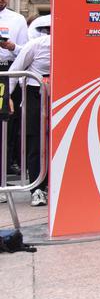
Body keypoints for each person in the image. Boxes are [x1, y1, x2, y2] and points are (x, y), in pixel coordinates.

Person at [10, 15, 50, 206]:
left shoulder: (72, 44)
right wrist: (7, 97)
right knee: (36, 141)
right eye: (46, 30)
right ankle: (37, 189)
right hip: (35, 94)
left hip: (63, 95)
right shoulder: (35, 45)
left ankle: (54, 186)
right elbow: (15, 71)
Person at [0, 0, 29, 172]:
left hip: (8, 72)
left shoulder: (17, 19)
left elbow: (25, 50)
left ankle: (6, 164)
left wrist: (12, 47)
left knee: (8, 121)